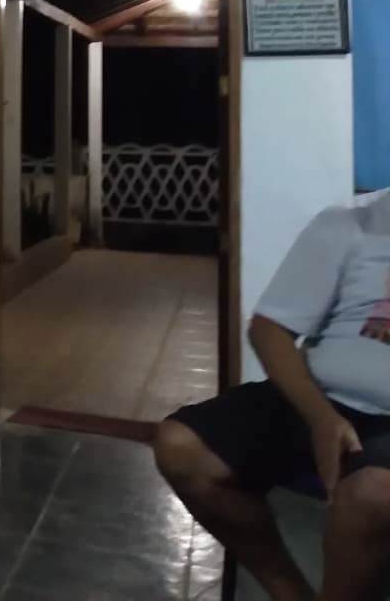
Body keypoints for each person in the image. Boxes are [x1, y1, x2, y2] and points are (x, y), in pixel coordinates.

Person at [155, 191, 390, 601]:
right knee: (181, 446)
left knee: (373, 493)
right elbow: (269, 329)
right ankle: (289, 591)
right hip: (321, 398)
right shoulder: (350, 223)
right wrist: (321, 419)